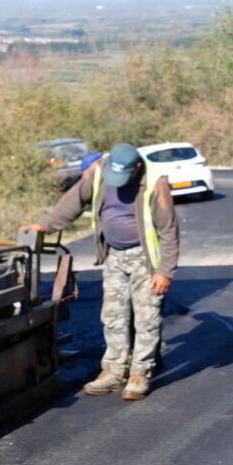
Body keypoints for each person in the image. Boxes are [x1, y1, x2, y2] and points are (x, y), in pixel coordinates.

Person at [23, 143, 179, 401]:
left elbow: (169, 229)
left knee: (146, 319)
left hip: (145, 259)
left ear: (137, 167)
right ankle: (113, 371)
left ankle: (140, 373)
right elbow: (74, 199)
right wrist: (46, 225)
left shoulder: (154, 182)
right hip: (114, 255)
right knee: (113, 316)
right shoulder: (98, 171)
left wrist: (165, 271)